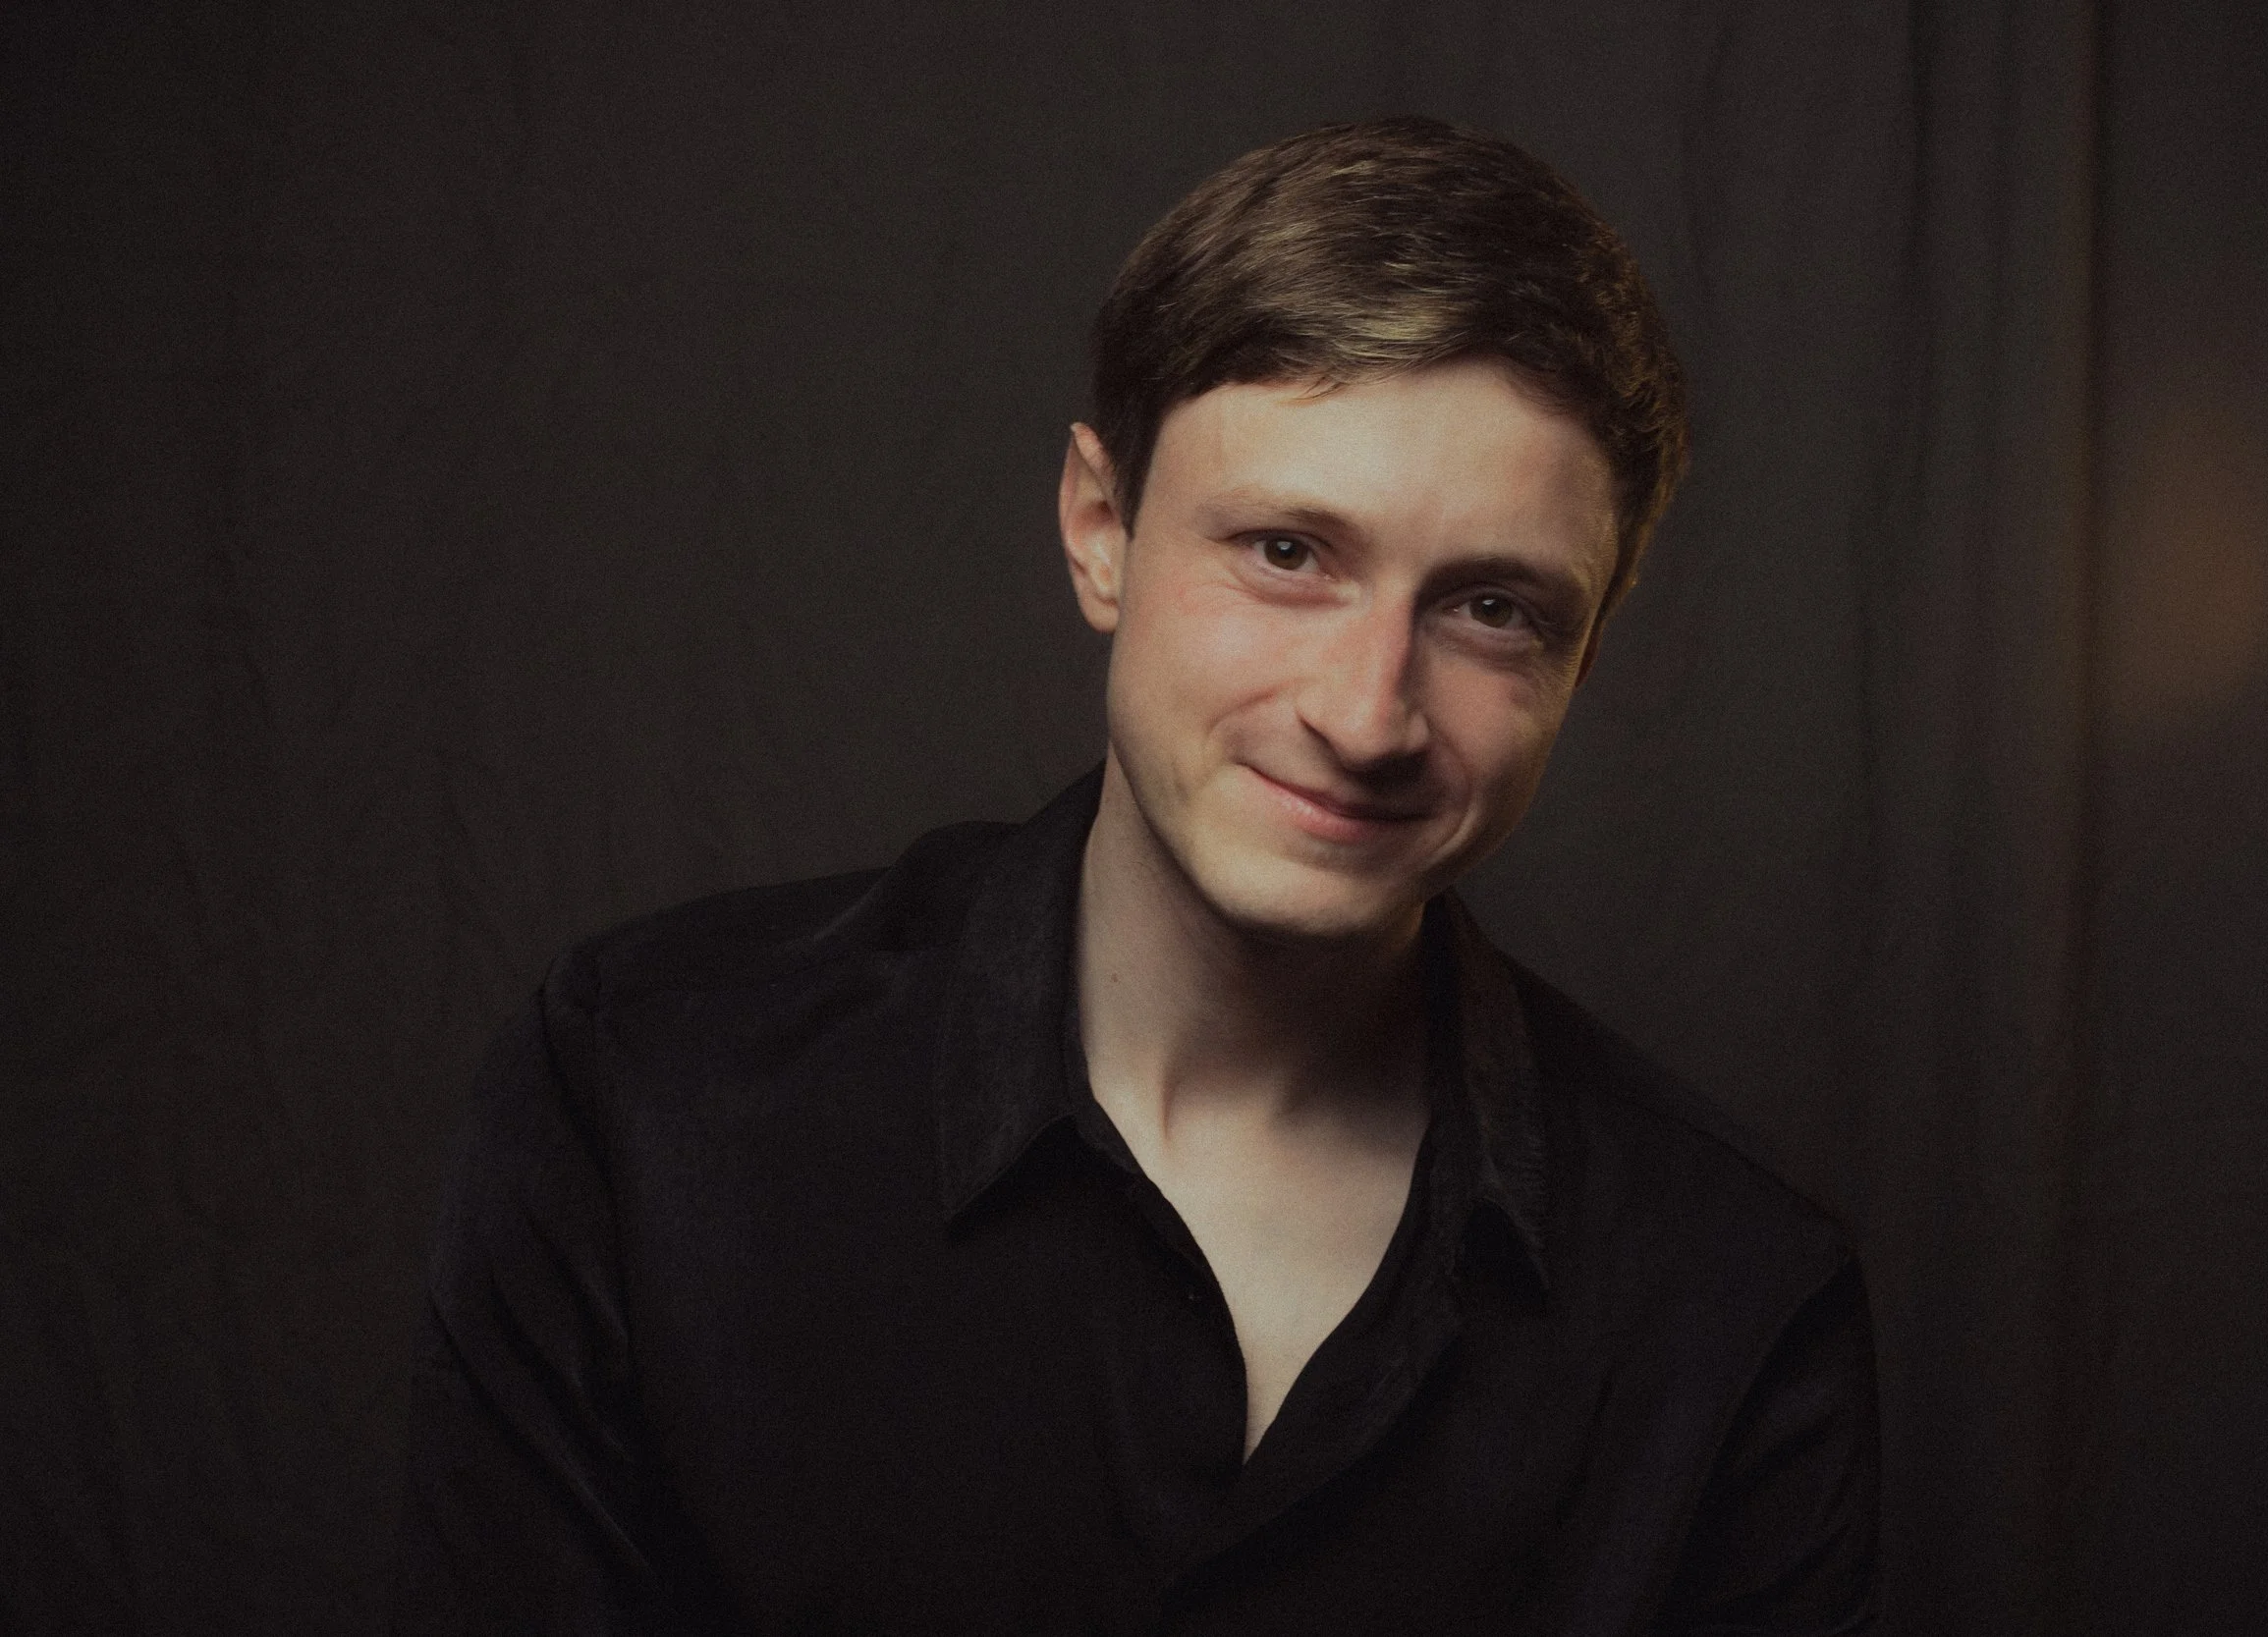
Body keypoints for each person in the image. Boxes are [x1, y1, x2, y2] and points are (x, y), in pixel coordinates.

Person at [392, 116, 1879, 1635]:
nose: (1365, 713)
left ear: (1584, 658)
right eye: (1289, 552)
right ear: (1100, 529)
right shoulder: (643, 1101)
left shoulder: (1737, 1303)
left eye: (1493, 607)